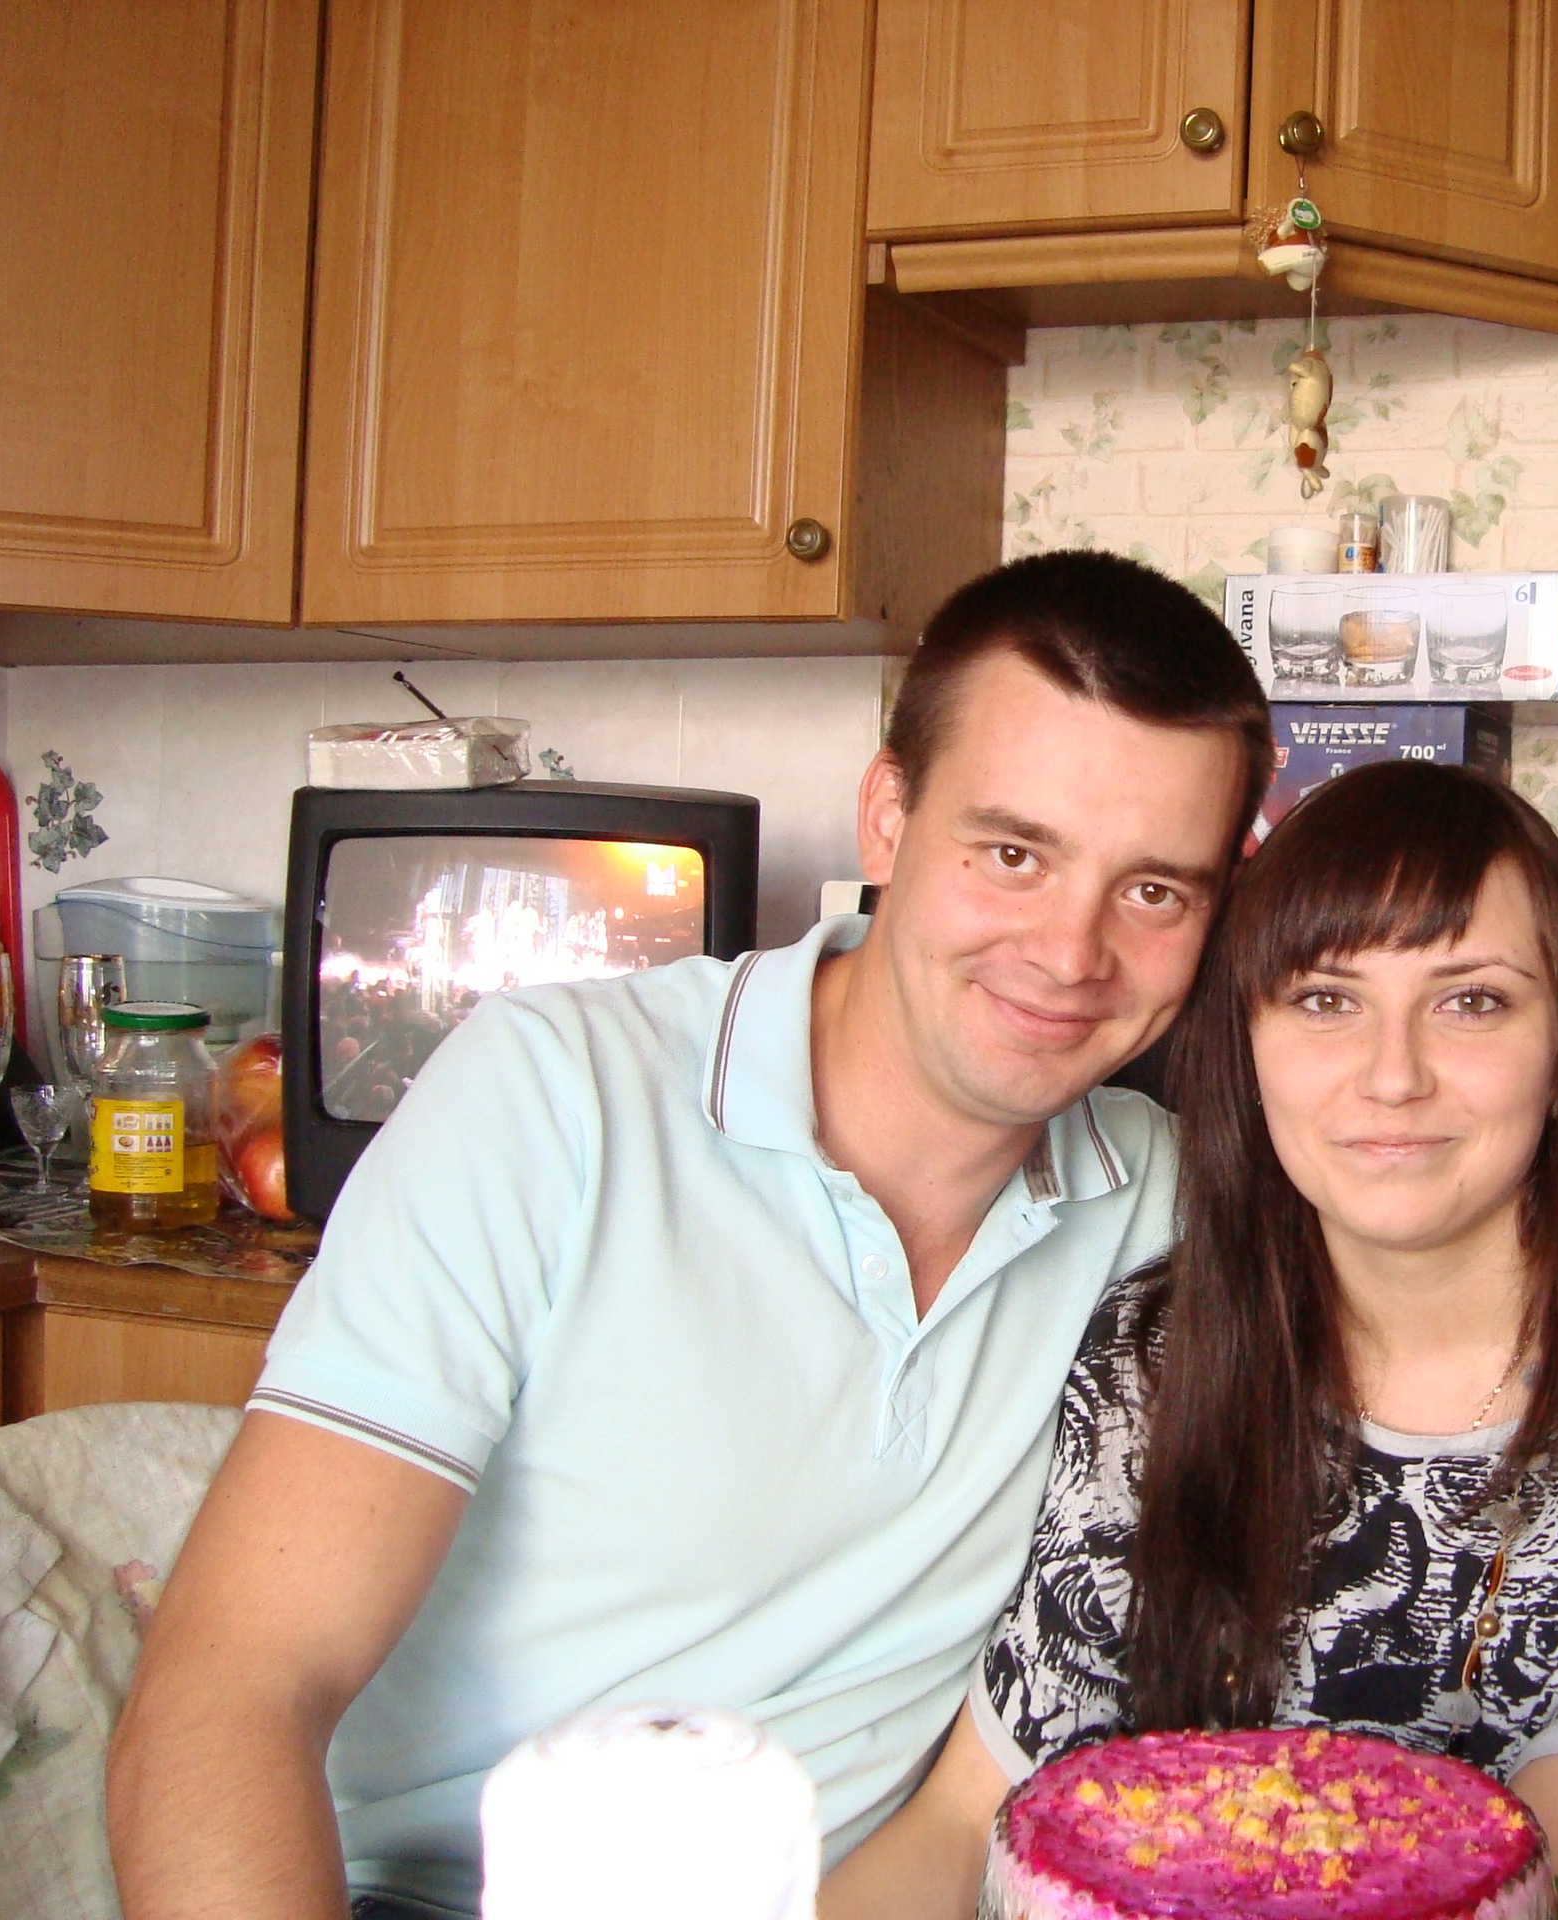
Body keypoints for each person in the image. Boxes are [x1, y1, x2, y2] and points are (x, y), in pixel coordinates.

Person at [105, 552, 1273, 1920]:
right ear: (888, 818)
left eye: (1154, 892)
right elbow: (234, 1685)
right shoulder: (555, 1098)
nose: (1071, 953)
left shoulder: (1160, 1205)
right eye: (1012, 854)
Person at [826, 761, 1558, 1919]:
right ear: (1246, 1045)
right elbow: (970, 1815)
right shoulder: (1152, 1354)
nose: (1392, 1076)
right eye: (1326, 1000)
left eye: (1472, 1001)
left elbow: (1543, 1856)